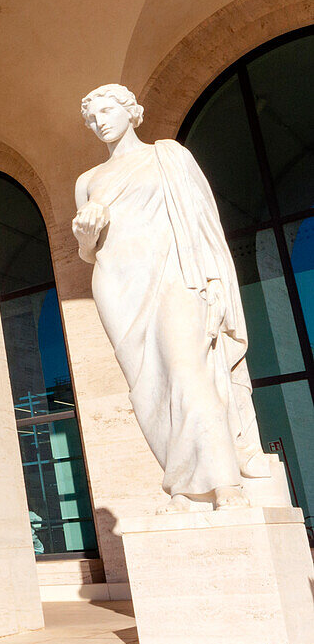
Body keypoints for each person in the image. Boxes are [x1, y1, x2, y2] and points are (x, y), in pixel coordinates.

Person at [73, 83, 272, 513]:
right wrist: (86, 238)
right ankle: (181, 488)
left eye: (108, 110)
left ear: (131, 112)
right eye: (93, 118)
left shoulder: (169, 155)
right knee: (149, 389)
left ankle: (224, 485)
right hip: (118, 287)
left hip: (175, 275)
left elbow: (203, 222)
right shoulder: (87, 181)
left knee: (188, 372)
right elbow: (88, 253)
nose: (100, 121)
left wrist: (214, 283)